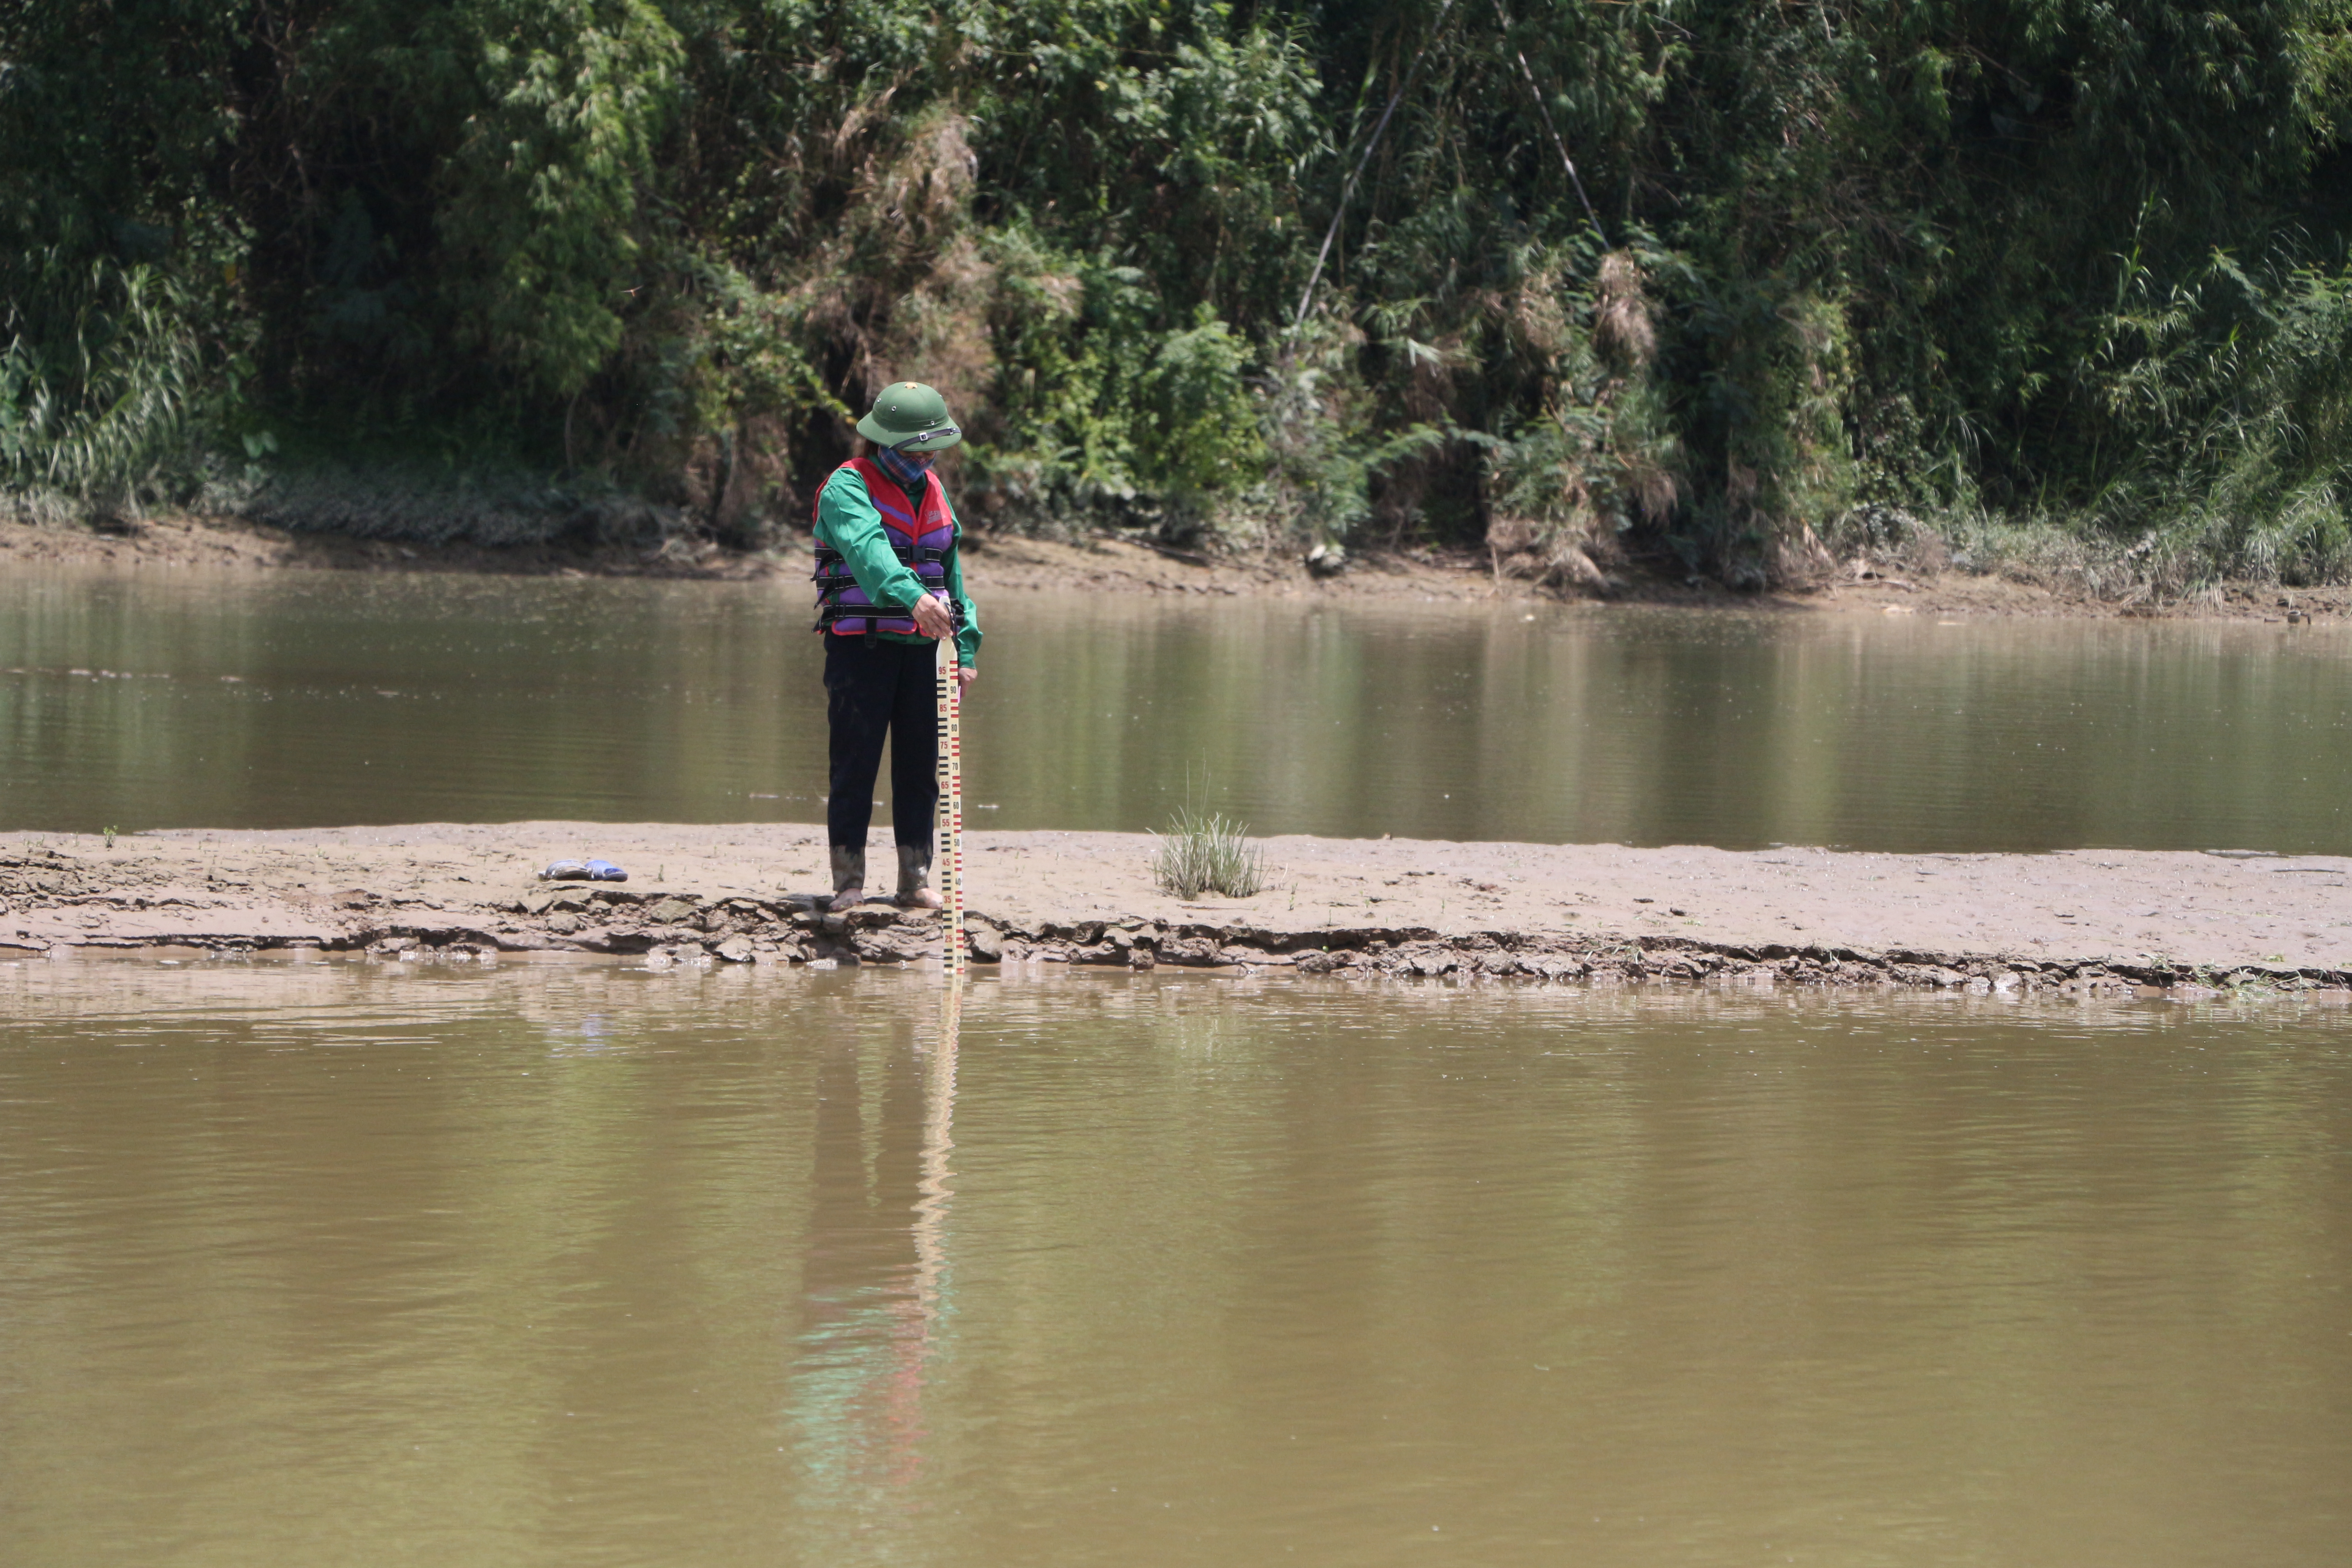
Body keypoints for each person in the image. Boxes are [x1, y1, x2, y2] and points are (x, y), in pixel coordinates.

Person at [811, 381, 981, 911]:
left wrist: (967, 649)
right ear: (887, 442)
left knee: (920, 767)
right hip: (861, 649)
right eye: (918, 446)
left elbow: (950, 575)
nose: (928, 455)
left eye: (933, 446)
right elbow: (869, 552)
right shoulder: (846, 487)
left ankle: (914, 880)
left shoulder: (934, 489)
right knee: (855, 763)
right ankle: (849, 882)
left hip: (925, 651)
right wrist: (912, 598)